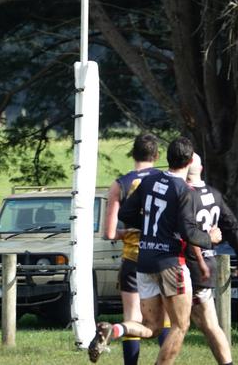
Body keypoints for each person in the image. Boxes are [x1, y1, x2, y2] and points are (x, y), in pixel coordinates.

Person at [88, 137, 223, 364]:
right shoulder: (185, 191)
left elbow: (125, 214)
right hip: (171, 263)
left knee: (152, 327)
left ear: (167, 158)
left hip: (144, 261)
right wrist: (210, 238)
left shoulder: (149, 181)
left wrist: (151, 228)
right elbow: (189, 233)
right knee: (181, 325)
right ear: (190, 161)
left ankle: (114, 329)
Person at [103, 133, 168, 364]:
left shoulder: (120, 184)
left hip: (132, 258)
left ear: (133, 154)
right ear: (157, 155)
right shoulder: (165, 180)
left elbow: (109, 233)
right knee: (166, 318)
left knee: (131, 316)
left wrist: (128, 233)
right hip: (161, 255)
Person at [186, 152, 238, 365]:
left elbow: (187, 233)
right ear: (201, 169)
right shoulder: (214, 195)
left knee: (179, 325)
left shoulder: (183, 195)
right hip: (207, 262)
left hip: (190, 265)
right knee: (206, 324)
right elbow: (232, 226)